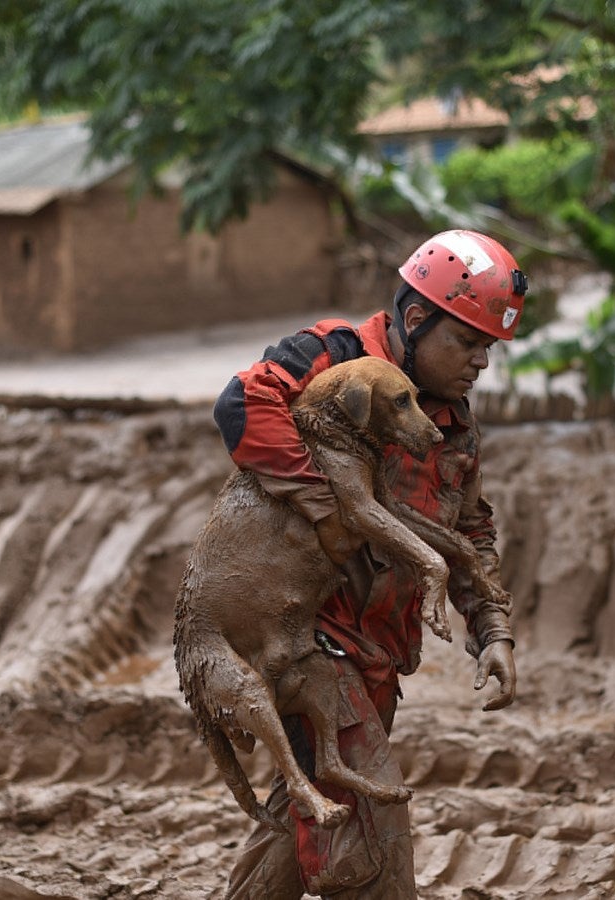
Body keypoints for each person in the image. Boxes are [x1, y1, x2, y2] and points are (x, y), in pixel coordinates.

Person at [213, 229, 526, 898]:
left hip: (378, 652)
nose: (481, 364)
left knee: (297, 827)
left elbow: (468, 527)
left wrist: (492, 630)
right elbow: (240, 405)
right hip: (309, 642)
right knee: (373, 830)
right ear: (416, 321)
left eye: (488, 350)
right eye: (467, 344)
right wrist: (330, 507)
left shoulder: (453, 423)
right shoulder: (333, 357)